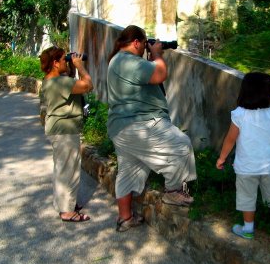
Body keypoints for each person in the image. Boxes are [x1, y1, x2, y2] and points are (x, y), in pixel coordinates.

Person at [107, 25, 197, 232]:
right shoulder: (127, 61)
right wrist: (156, 54)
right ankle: (173, 191)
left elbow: (145, 78)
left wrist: (150, 57)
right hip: (139, 123)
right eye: (145, 42)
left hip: (122, 128)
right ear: (137, 42)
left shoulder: (118, 61)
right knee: (181, 145)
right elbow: (159, 74)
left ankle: (125, 218)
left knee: (128, 171)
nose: (146, 47)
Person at [216, 72, 270, 240]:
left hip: (246, 167)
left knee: (247, 196)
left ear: (244, 92)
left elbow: (230, 140)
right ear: (268, 93)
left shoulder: (239, 114)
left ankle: (248, 229)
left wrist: (222, 158)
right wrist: (268, 149)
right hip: (269, 165)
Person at [40, 46, 94, 222]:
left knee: (62, 168)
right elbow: (88, 85)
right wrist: (80, 66)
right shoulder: (59, 83)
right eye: (64, 59)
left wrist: (70, 68)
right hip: (65, 130)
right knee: (69, 170)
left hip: (58, 129)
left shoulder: (49, 81)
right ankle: (67, 212)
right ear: (55, 63)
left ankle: (65, 204)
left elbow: (72, 87)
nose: (67, 61)